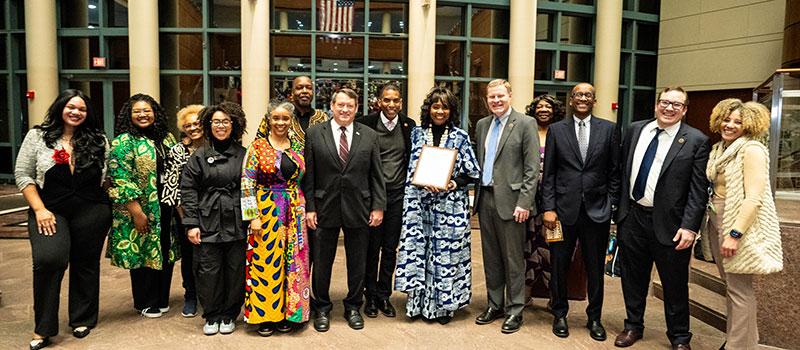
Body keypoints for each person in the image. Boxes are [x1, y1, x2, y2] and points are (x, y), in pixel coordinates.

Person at [15, 90, 112, 350]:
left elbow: (106, 176)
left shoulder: (98, 139)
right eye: (71, 107)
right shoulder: (37, 136)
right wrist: (39, 210)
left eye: (82, 109)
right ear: (60, 107)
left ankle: (82, 318)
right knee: (49, 259)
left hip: (92, 210)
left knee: (85, 264)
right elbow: (23, 175)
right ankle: (43, 328)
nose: (76, 112)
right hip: (50, 209)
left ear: (88, 113)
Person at [614, 87, 710, 350]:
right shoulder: (635, 130)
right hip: (632, 217)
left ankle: (679, 337)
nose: (669, 108)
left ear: (685, 110)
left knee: (674, 284)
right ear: (656, 105)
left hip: (672, 224)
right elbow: (622, 172)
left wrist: (689, 226)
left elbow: (698, 189)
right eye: (665, 102)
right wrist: (620, 214)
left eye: (676, 105)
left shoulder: (696, 140)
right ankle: (633, 326)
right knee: (632, 278)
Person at [541, 83, 621, 341]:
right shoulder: (556, 130)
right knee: (559, 264)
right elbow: (549, 173)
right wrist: (548, 208)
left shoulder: (609, 129)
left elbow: (614, 171)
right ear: (571, 100)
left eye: (588, 95)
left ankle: (594, 317)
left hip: (597, 211)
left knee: (595, 267)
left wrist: (610, 202)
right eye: (578, 95)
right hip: (562, 212)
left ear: (594, 100)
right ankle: (559, 314)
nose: (583, 98)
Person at [394, 86, 480, 324]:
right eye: (435, 106)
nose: (439, 111)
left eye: (445, 107)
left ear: (452, 110)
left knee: (445, 257)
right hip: (418, 205)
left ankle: (443, 308)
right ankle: (417, 306)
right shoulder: (416, 134)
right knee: (418, 254)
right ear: (428, 109)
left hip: (450, 207)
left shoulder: (460, 137)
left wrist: (452, 183)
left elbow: (473, 173)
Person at [304, 88, 386, 332]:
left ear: (356, 108)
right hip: (323, 207)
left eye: (350, 105)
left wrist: (378, 206)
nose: (345, 110)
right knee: (322, 261)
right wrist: (310, 207)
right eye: (340, 105)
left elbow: (376, 174)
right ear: (331, 105)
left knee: (358, 261)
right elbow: (309, 175)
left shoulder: (369, 135)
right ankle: (322, 308)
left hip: (359, 206)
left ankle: (353, 307)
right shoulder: (314, 133)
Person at [705, 99, 783, 350]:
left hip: (736, 222)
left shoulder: (752, 150)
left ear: (749, 125)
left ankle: (737, 346)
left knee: (739, 290)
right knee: (731, 287)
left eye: (738, 122)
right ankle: (743, 342)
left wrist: (735, 234)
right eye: (726, 119)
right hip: (716, 217)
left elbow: (754, 198)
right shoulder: (720, 148)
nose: (730, 125)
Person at [473, 79, 540, 334]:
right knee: (491, 258)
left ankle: (515, 309)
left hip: (513, 204)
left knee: (513, 259)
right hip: (486, 198)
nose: (496, 101)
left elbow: (532, 168)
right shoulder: (482, 125)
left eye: (500, 96)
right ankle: (495, 305)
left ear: (510, 96)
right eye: (491, 97)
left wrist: (524, 202)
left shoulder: (525, 123)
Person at [241, 100, 311, 337]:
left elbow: (301, 181)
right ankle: (265, 317)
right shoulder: (257, 147)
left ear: (291, 121)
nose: (281, 122)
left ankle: (289, 314)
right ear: (269, 120)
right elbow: (247, 184)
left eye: (285, 118)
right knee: (266, 263)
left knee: (293, 263)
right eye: (276, 118)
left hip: (294, 213)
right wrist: (253, 217)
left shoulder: (298, 147)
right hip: (266, 212)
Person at [107, 93, 179, 319]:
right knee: (142, 253)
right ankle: (145, 302)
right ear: (129, 115)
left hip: (165, 206)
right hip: (139, 208)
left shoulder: (166, 138)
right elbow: (121, 178)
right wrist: (137, 212)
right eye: (137, 111)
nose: (142, 115)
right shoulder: (123, 141)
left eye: (147, 110)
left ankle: (162, 297)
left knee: (164, 250)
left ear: (155, 113)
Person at [181, 102, 249, 336]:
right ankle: (211, 315)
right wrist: (191, 223)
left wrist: (252, 220)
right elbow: (188, 190)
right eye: (216, 121)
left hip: (236, 220)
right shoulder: (199, 156)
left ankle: (229, 314)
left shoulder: (244, 154)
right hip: (207, 219)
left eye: (225, 121)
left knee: (235, 269)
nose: (221, 126)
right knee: (208, 270)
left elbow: (250, 189)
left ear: (234, 125)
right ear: (209, 125)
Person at [357, 84, 416, 318]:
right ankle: (370, 295)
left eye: (396, 100)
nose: (392, 104)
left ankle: (384, 295)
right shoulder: (365, 124)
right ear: (379, 102)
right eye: (387, 100)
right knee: (371, 248)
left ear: (401, 103)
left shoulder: (409, 125)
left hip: (397, 196)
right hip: (372, 197)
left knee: (390, 248)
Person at [161, 104, 205, 318]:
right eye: (188, 125)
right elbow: (172, 187)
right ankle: (191, 295)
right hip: (186, 213)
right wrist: (187, 220)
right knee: (190, 257)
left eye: (197, 123)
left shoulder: (216, 146)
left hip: (216, 212)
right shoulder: (177, 151)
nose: (193, 128)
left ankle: (212, 296)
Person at [521, 94, 565, 305]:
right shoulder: (527, 132)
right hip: (529, 201)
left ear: (555, 111)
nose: (544, 110)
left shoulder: (561, 133)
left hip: (554, 204)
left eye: (548, 106)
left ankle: (554, 297)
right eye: (539, 107)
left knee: (553, 247)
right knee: (527, 247)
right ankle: (525, 294)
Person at [258, 76, 328, 145]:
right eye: (299, 88)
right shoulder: (276, 117)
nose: (305, 91)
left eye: (309, 88)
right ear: (292, 92)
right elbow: (258, 145)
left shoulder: (322, 118)